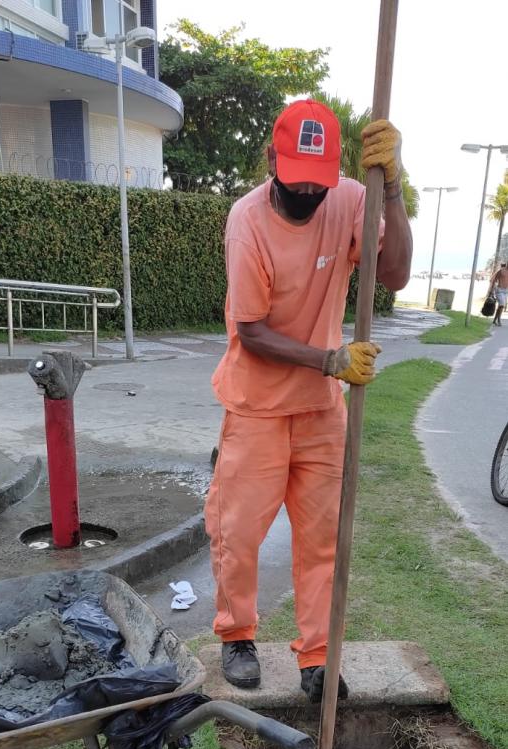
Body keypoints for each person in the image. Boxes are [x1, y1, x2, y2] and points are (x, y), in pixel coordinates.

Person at [205, 99, 412, 702]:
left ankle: (317, 656)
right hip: (257, 406)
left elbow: (394, 273)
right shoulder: (247, 220)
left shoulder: (349, 198)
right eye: (294, 183)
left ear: (334, 175)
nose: (307, 197)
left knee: (323, 538)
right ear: (272, 159)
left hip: (322, 410)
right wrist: (330, 360)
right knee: (238, 531)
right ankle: (237, 633)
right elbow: (252, 330)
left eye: (316, 188)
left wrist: (393, 189)